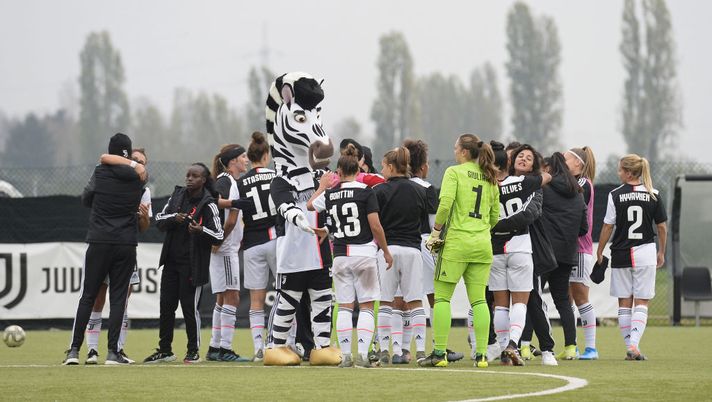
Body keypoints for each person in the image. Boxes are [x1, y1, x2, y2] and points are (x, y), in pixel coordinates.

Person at [307, 144, 393, 368]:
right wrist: (385, 250)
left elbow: (309, 206)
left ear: (339, 172)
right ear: (357, 169)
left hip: (340, 256)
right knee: (365, 306)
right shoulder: (366, 192)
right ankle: (363, 355)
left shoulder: (331, 194)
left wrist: (321, 187)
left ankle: (346, 356)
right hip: (364, 254)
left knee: (345, 306)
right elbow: (375, 225)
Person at [64, 133, 146, 365]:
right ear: (128, 153)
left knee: (88, 296)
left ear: (110, 152)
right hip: (126, 242)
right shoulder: (138, 176)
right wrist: (132, 164)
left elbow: (86, 199)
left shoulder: (99, 172)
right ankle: (113, 352)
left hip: (99, 240)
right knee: (119, 298)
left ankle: (73, 351)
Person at [419, 134, 499, 368]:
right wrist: (480, 231)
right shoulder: (491, 177)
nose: (454, 152)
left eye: (456, 148)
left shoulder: (454, 172)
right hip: (482, 245)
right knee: (479, 301)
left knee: (442, 298)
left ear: (464, 152)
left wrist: (435, 233)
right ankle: (482, 356)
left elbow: (445, 204)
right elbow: (495, 217)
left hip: (456, 243)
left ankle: (440, 353)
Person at [143, 163, 224, 364]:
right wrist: (175, 218)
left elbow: (219, 235)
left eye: (194, 176)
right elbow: (160, 220)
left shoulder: (209, 203)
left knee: (189, 308)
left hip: (192, 265)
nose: (189, 179)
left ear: (203, 180)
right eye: (187, 175)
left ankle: (193, 351)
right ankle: (165, 350)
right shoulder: (177, 196)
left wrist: (201, 230)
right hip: (171, 261)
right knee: (166, 307)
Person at [84, 148, 152, 364]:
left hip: (126, 248)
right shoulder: (109, 180)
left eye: (141, 161)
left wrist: (143, 217)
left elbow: (144, 227)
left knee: (121, 302)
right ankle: (92, 350)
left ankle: (117, 350)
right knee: (97, 299)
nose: (137, 163)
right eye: (134, 160)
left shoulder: (144, 190)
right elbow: (102, 158)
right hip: (105, 243)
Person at [597, 154, 666, 361]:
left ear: (628, 172)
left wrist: (600, 250)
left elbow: (608, 225)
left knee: (624, 304)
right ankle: (634, 346)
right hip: (645, 253)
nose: (618, 173)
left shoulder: (615, 194)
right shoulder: (654, 194)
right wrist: (661, 251)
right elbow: (661, 227)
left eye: (620, 170)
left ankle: (630, 346)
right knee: (642, 302)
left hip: (621, 254)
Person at [488, 144, 551, 366]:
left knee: (501, 304)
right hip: (520, 246)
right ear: (509, 162)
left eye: (527, 157)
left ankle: (504, 344)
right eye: (519, 156)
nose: (523, 159)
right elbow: (545, 178)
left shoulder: (489, 186)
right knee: (520, 303)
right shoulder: (525, 183)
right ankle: (513, 345)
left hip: (495, 247)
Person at [374, 146, 429, 365]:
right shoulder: (420, 191)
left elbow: (375, 223)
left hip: (388, 250)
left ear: (390, 166)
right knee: (416, 302)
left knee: (386, 302)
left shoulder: (379, 191)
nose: (381, 169)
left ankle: (386, 350)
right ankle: (422, 351)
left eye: (383, 166)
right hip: (413, 251)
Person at [540, 153, 588, 360]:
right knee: (563, 301)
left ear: (550, 169)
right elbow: (584, 228)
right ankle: (570, 347)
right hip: (567, 254)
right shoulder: (578, 193)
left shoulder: (545, 189)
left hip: (544, 253)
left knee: (533, 298)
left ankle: (525, 345)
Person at [205, 144, 250, 362]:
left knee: (222, 297)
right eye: (243, 157)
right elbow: (229, 218)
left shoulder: (225, 180)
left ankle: (215, 347)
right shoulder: (228, 181)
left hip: (222, 248)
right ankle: (226, 349)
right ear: (233, 161)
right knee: (232, 295)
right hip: (226, 248)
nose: (246, 160)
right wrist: (219, 240)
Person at [236, 132, 279, 361]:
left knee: (256, 301)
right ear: (265, 155)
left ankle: (258, 348)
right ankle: (282, 343)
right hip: (275, 239)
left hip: (252, 243)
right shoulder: (275, 176)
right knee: (284, 295)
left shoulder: (240, 182)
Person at [564, 147, 599, 360]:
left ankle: (591, 348)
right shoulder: (573, 183)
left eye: (566, 158)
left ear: (578, 163)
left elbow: (574, 211)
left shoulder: (583, 184)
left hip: (579, 248)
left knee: (580, 297)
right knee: (566, 298)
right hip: (568, 248)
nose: (563, 161)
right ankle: (572, 345)